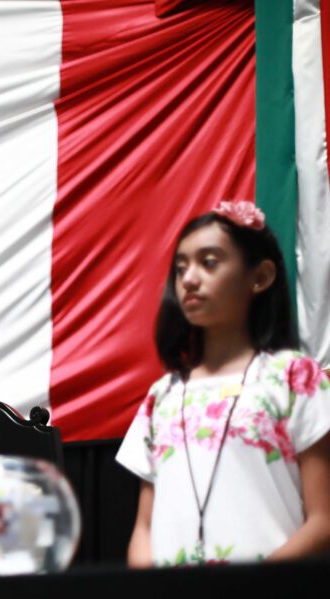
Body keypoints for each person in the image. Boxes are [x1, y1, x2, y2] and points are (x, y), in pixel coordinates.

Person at [118, 200, 330, 567]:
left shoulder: (296, 378)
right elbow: (143, 528)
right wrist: (149, 598)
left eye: (209, 262)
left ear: (260, 277)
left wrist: (248, 591)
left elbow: (324, 519)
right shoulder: (161, 396)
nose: (189, 278)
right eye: (181, 267)